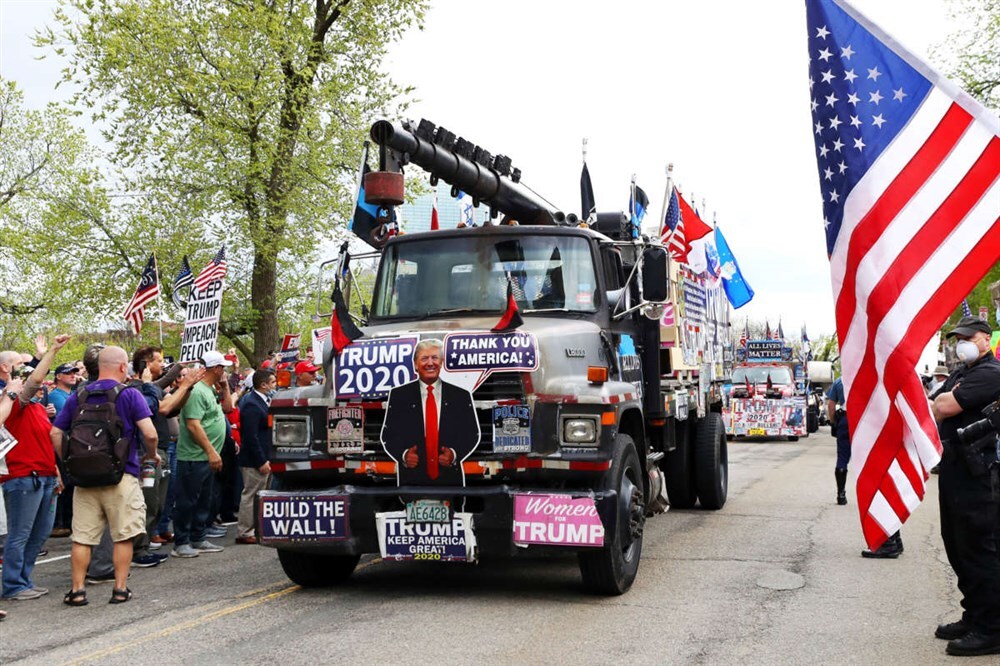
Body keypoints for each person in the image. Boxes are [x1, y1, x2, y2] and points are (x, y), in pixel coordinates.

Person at [50, 345, 159, 606]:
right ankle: (120, 588)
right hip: (122, 474)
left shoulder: (78, 395)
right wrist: (151, 455)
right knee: (123, 534)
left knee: (83, 537)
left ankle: (77, 590)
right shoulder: (129, 394)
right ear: (123, 367)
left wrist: (69, 461)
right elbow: (151, 433)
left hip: (85, 478)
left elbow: (55, 433)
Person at [929, 315, 1000, 657]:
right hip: (955, 467)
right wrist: (946, 402)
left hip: (980, 472)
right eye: (959, 337)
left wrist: (946, 403)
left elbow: (944, 405)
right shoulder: (962, 373)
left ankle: (992, 628)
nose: (963, 343)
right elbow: (934, 405)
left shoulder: (991, 372)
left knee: (978, 548)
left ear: (986, 339)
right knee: (956, 544)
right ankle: (975, 615)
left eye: (969, 337)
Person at [0, 336, 68, 601]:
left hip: (46, 476)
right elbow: (36, 380)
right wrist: (51, 351)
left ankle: (24, 580)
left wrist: (56, 471)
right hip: (23, 477)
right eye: (20, 364)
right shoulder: (12, 399)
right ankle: (14, 585)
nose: (27, 367)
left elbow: (44, 440)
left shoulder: (36, 406)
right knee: (21, 534)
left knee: (39, 534)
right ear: (6, 369)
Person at [129, 346, 203, 567]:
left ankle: (144, 546)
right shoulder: (137, 389)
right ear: (144, 364)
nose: (162, 364)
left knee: (160, 503)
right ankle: (137, 550)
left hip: (160, 452)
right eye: (158, 360)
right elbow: (162, 407)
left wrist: (186, 388)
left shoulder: (151, 387)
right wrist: (186, 383)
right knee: (149, 502)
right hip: (148, 455)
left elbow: (172, 409)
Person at [381, 339, 480, 486]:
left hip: (451, 481)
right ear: (415, 364)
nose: (430, 363)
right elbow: (388, 436)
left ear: (441, 362)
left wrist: (454, 454)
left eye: (434, 358)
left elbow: (472, 434)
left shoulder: (461, 395)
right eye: (424, 358)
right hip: (410, 481)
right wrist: (403, 454)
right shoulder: (398, 395)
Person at [171, 351, 232, 558]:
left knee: (204, 499)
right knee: (188, 500)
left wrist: (225, 386)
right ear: (216, 369)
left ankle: (198, 537)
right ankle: (181, 542)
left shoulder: (210, 389)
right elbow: (193, 424)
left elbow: (229, 408)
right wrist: (210, 451)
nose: (224, 371)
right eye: (222, 367)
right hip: (194, 456)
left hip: (207, 456)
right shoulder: (196, 391)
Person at [235, 368, 276, 544]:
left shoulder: (265, 401)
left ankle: (257, 527)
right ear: (263, 384)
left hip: (265, 456)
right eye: (273, 382)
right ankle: (245, 531)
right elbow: (250, 436)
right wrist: (261, 460)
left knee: (261, 494)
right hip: (254, 460)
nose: (275, 385)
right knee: (251, 494)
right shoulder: (252, 404)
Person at [826, 377, 850, 506]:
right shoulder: (868, 377)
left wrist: (833, 422)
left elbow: (831, 405)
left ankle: (841, 495)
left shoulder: (839, 382)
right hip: (864, 421)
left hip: (845, 420)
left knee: (842, 457)